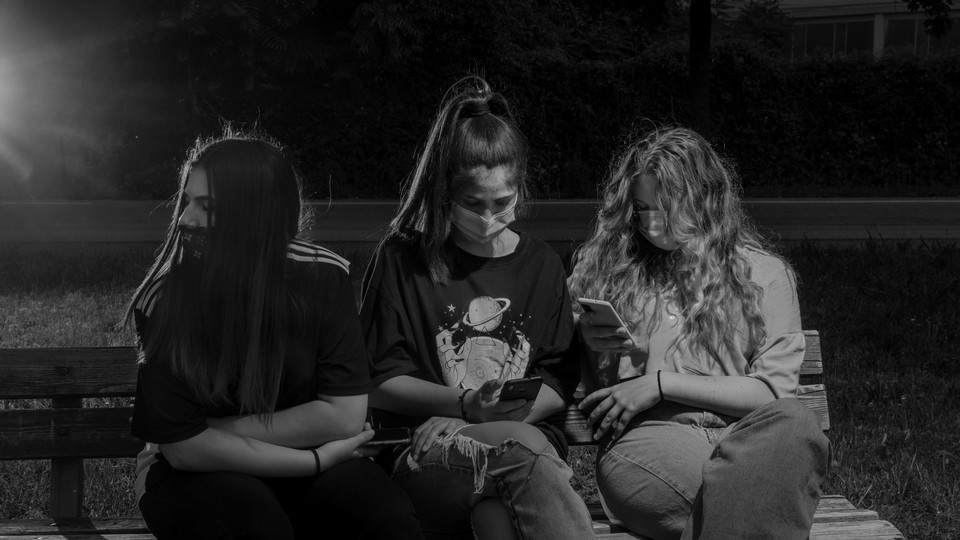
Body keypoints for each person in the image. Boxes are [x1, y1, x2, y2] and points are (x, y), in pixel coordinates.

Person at [125, 131, 422, 540]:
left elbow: (343, 414)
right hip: (192, 472)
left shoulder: (323, 276)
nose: (184, 219)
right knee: (254, 525)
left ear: (254, 215)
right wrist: (316, 460)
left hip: (296, 454)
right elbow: (183, 450)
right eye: (187, 200)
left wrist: (213, 428)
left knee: (386, 520)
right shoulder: (166, 298)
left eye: (206, 205)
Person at [567, 126, 831, 540]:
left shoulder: (765, 275)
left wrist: (660, 383)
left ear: (705, 199)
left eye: (666, 208)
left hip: (748, 436)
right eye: (642, 209)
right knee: (758, 498)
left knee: (796, 422)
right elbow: (584, 384)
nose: (652, 224)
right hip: (653, 440)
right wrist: (585, 339)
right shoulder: (616, 273)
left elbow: (772, 395)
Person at [359, 77, 594, 540]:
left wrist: (488, 418)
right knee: (519, 453)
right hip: (426, 450)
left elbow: (556, 378)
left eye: (502, 203)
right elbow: (376, 380)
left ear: (520, 188)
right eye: (472, 203)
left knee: (496, 518)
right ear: (445, 192)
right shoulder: (403, 261)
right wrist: (465, 407)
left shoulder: (542, 265)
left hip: (520, 445)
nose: (488, 217)